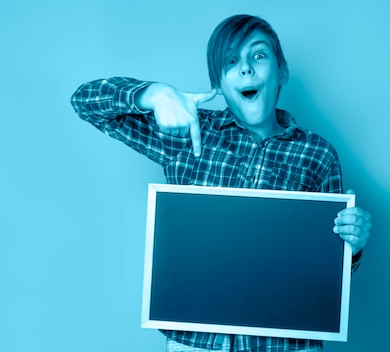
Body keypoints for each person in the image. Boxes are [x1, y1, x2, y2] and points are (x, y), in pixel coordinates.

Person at [70, 14, 371, 352]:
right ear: (218, 83)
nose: (246, 69)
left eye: (258, 55)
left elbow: (330, 277)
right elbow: (85, 102)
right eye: (232, 61)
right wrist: (153, 94)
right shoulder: (189, 133)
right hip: (199, 343)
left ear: (281, 71)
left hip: (285, 344)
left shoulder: (317, 154)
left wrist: (353, 244)